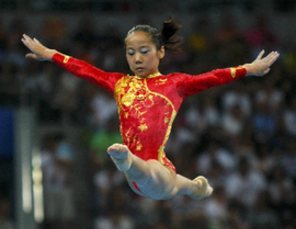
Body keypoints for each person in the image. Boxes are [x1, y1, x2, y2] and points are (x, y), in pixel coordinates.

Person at [21, 19, 279, 201]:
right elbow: (85, 69)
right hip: (138, 177)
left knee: (167, 177)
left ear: (161, 52)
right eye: (130, 52)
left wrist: (249, 69)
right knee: (156, 175)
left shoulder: (175, 84)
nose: (137, 58)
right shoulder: (119, 83)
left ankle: (194, 187)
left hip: (158, 167)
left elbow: (213, 76)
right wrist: (50, 53)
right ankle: (151, 170)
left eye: (144, 51)